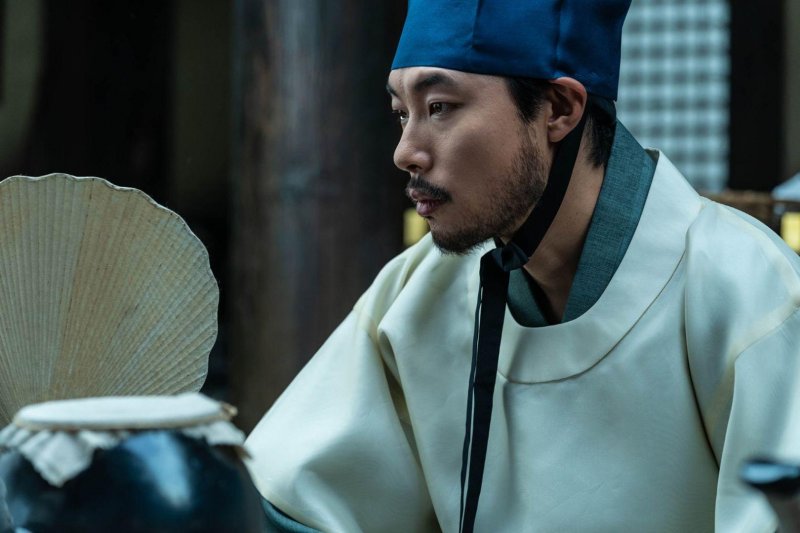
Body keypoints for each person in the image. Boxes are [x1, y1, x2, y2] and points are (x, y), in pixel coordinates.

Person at [246, 1, 800, 531]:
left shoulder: (745, 289)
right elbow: (294, 496)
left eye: (439, 107)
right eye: (401, 113)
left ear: (558, 108)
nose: (405, 151)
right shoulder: (415, 293)